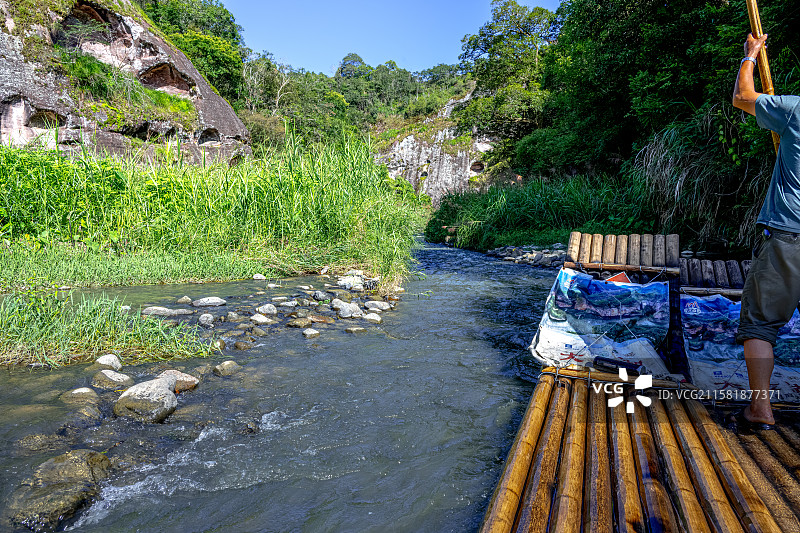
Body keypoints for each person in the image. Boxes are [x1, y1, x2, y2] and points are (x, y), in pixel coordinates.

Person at [732, 33, 800, 430]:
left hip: (789, 234)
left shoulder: (794, 110)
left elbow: (743, 98)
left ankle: (761, 409)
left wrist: (750, 57)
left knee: (760, 323)